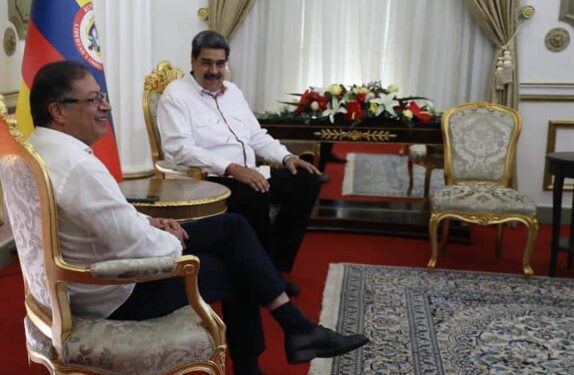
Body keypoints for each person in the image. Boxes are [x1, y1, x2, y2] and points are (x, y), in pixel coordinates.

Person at [27, 61, 368, 375]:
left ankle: (297, 329)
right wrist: (168, 237)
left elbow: (99, 217)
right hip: (113, 292)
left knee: (232, 227)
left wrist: (150, 222)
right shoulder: (80, 166)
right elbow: (137, 245)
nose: (106, 107)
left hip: (78, 279)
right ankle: (267, 355)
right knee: (238, 266)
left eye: (102, 97)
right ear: (58, 110)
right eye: (93, 100)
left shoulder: (39, 148)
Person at [157, 30, 322, 294]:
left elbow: (256, 135)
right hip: (209, 180)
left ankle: (273, 265)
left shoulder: (233, 91)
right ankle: (263, 278)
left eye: (220, 64)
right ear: (193, 62)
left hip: (250, 172)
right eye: (206, 63)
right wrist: (233, 169)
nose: (214, 71)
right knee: (255, 195)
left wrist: (287, 156)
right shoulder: (176, 95)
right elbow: (179, 149)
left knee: (307, 180)